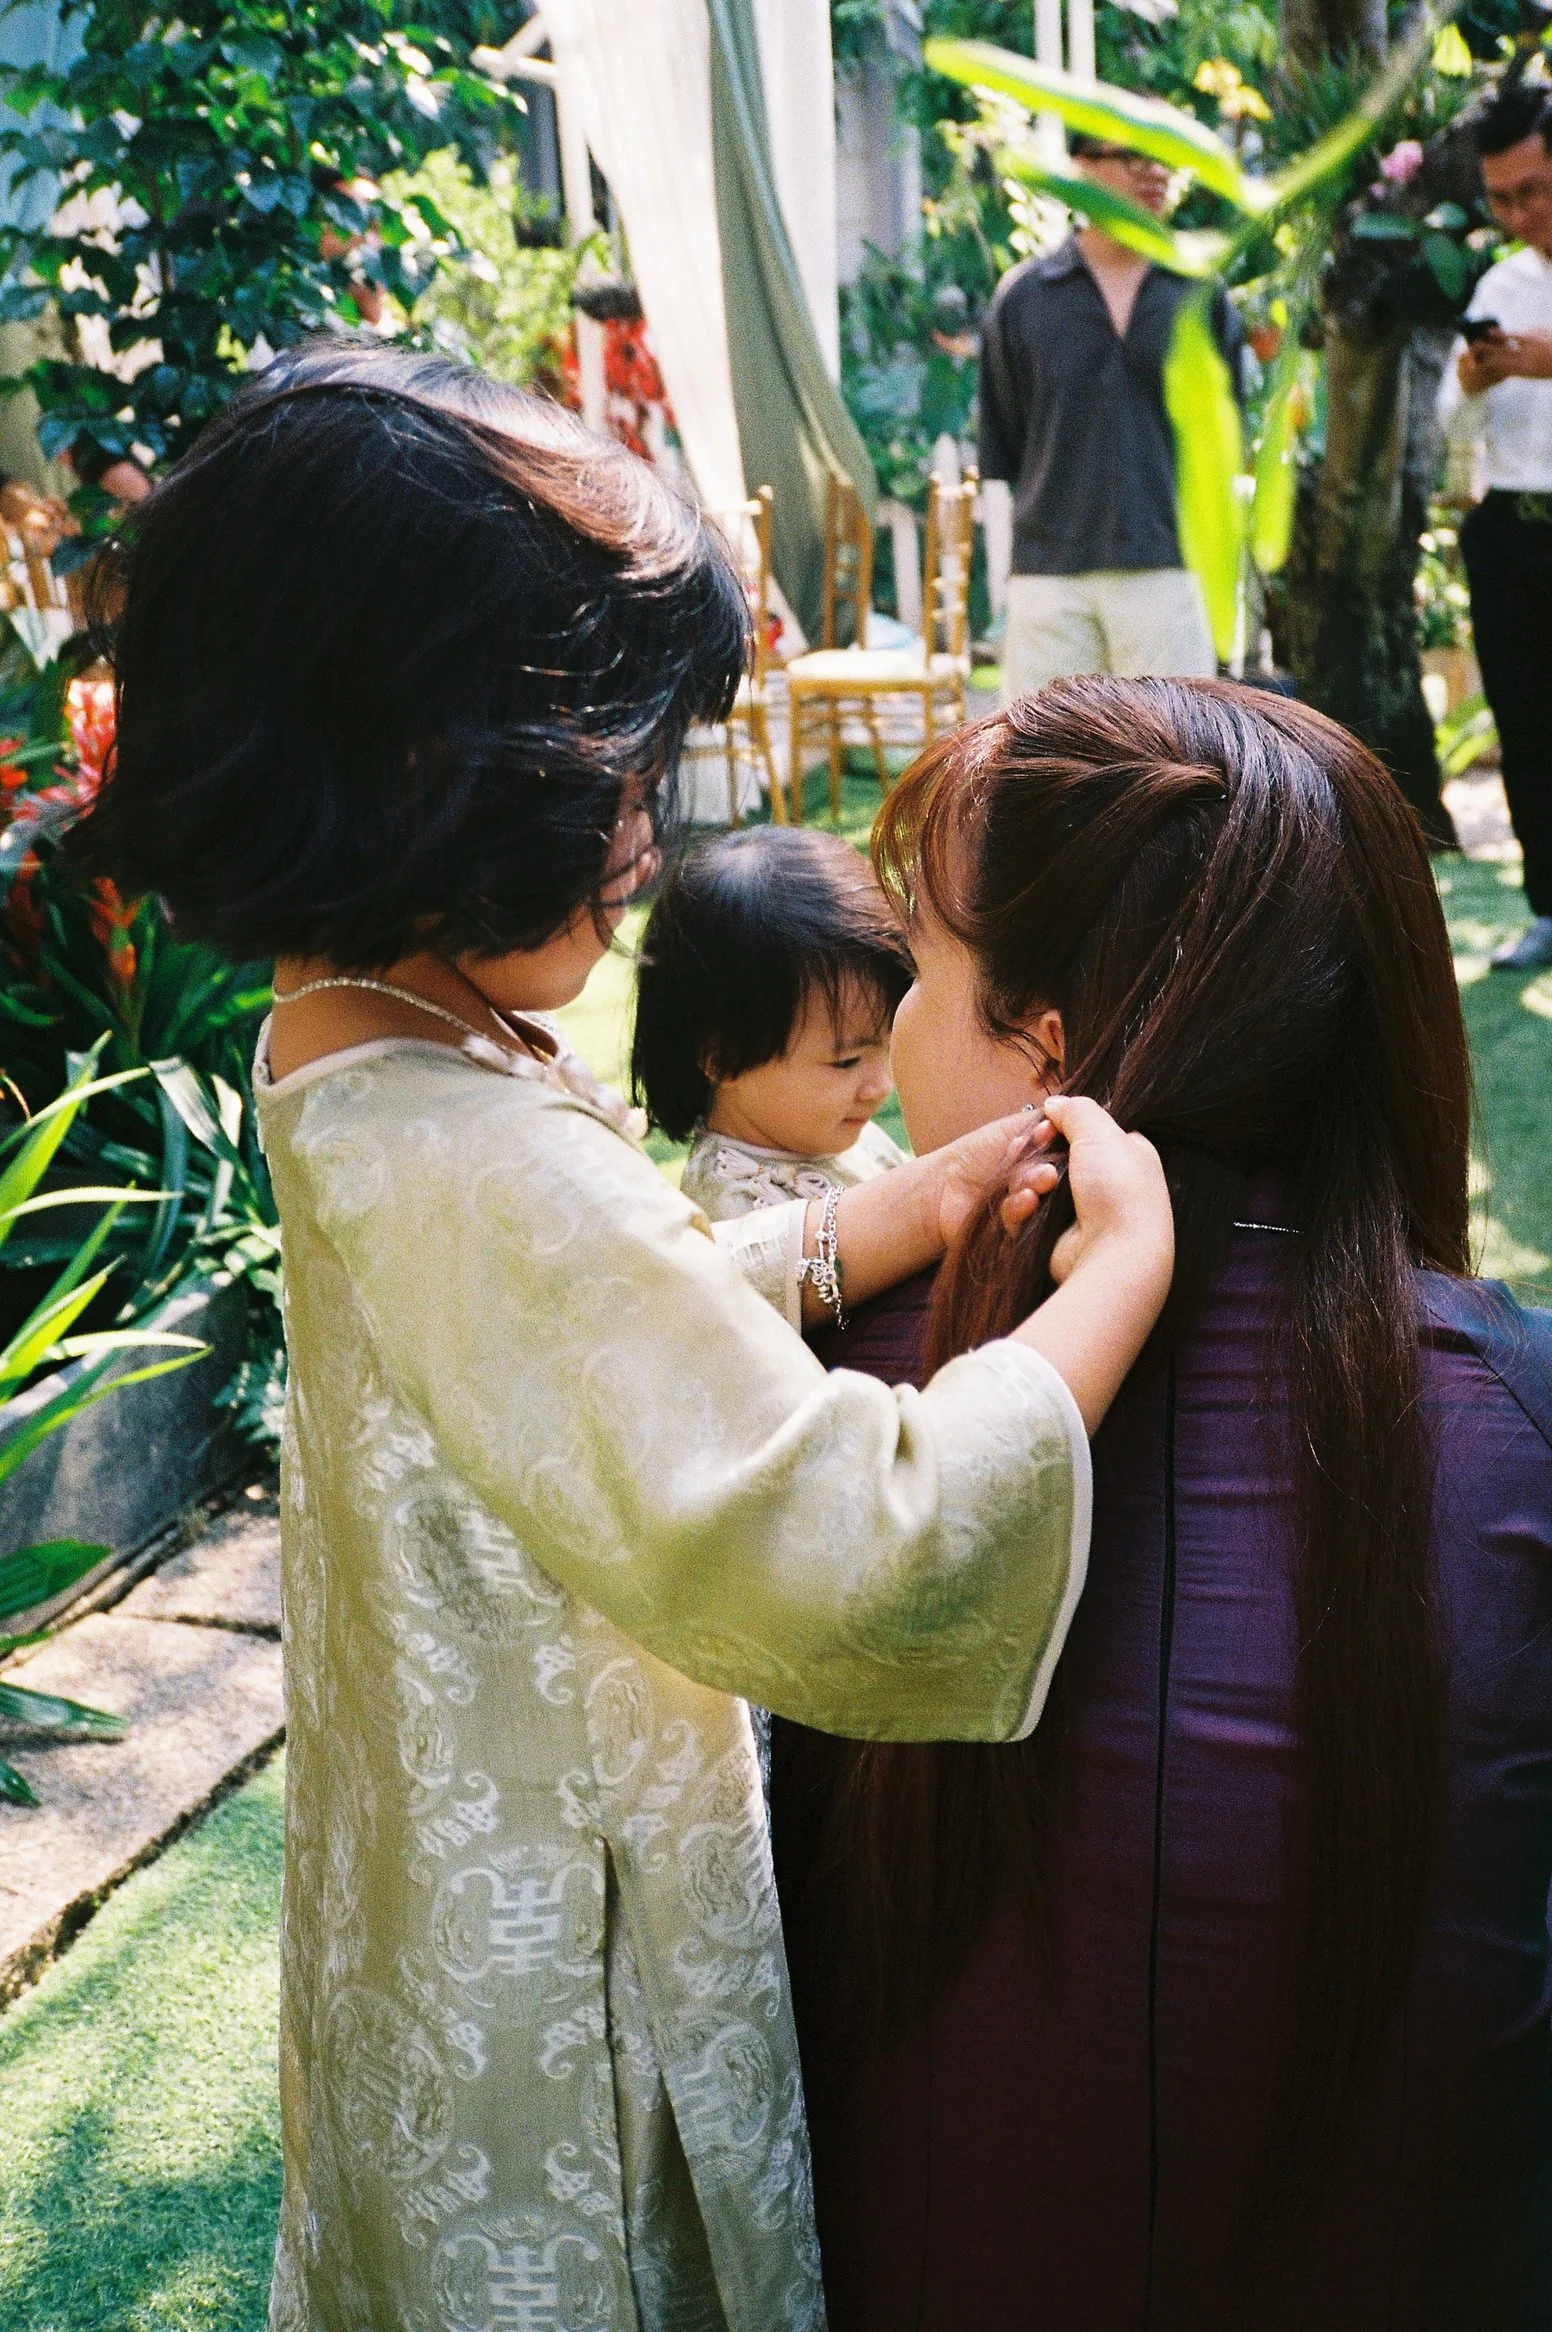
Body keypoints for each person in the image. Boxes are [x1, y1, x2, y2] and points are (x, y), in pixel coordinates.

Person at [77, 340, 1177, 2332]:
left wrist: (888, 1216)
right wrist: (1110, 1278)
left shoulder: (354, 1024)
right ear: (419, 766)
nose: (648, 837)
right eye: (611, 775)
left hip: (438, 1889)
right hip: (559, 1971)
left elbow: (562, 1345)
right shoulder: (469, 1140)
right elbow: (850, 1536)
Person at [772, 676, 1552, 2330]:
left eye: (916, 972)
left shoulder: (809, 1404)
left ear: (1046, 1050)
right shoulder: (1512, 1415)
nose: (890, 1028)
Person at [977, 136, 1243, 701]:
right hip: (1050, 575)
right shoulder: (1025, 297)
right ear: (1081, 168)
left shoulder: (1200, 294)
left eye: (1164, 158)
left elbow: (1221, 443)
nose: (1155, 172)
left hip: (1170, 569)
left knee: (1172, 762)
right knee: (1049, 770)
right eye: (1133, 156)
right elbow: (1011, 439)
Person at [632, 826, 911, 1245]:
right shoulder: (738, 1212)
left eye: (887, 1045)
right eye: (846, 1061)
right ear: (722, 1058)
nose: (881, 1086)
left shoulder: (829, 1132)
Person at [1439, 79, 1552, 972]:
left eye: (1533, 190)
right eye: (1502, 197)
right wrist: (1477, 384)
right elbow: (1451, 420)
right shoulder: (1500, 283)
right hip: (1512, 527)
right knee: (1525, 718)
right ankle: (1548, 906)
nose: (1517, 212)